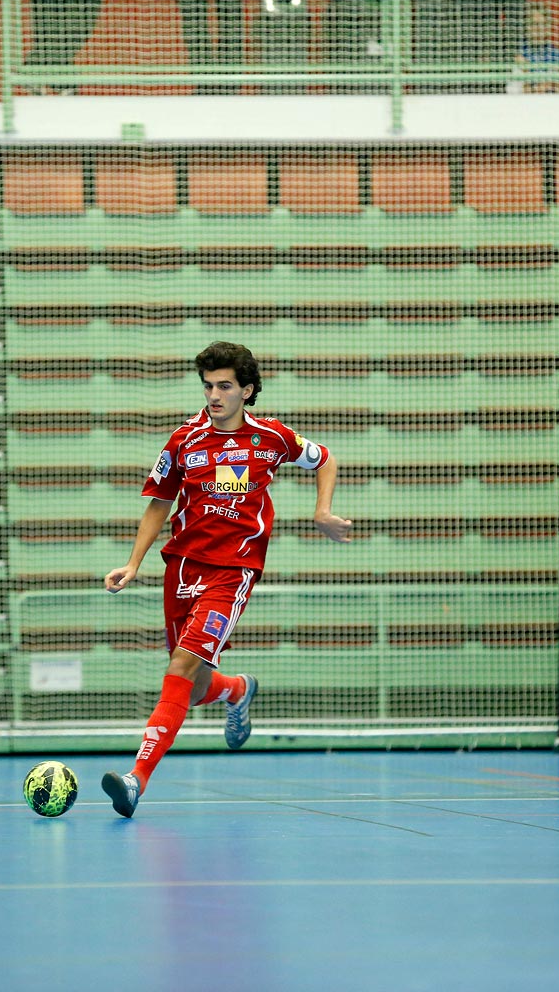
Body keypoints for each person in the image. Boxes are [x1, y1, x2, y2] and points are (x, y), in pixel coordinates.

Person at [101, 342, 353, 818]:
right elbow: (159, 503)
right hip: (181, 568)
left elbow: (323, 459)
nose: (214, 395)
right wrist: (133, 564)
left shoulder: (272, 438)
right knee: (193, 688)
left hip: (232, 571)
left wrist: (321, 511)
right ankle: (236, 689)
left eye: (224, 387)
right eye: (208, 386)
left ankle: (136, 779)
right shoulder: (183, 441)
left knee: (178, 669)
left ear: (246, 391)